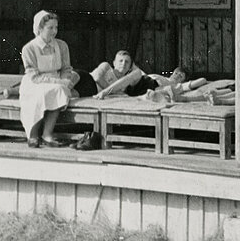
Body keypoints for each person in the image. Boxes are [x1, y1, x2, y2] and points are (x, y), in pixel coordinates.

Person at [19, 10, 79, 148]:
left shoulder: (62, 45)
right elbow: (34, 76)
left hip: (57, 81)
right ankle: (33, 135)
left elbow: (66, 68)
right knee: (42, 94)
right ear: (39, 28)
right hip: (34, 83)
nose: (54, 31)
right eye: (50, 28)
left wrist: (66, 81)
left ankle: (47, 134)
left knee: (59, 90)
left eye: (56, 27)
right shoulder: (29, 48)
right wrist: (60, 82)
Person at [87, 50, 156, 99]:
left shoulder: (125, 83)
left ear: (130, 67)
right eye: (120, 61)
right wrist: (114, 92)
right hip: (85, 82)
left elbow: (136, 74)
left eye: (127, 62)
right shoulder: (106, 66)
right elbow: (97, 78)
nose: (123, 64)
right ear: (114, 63)